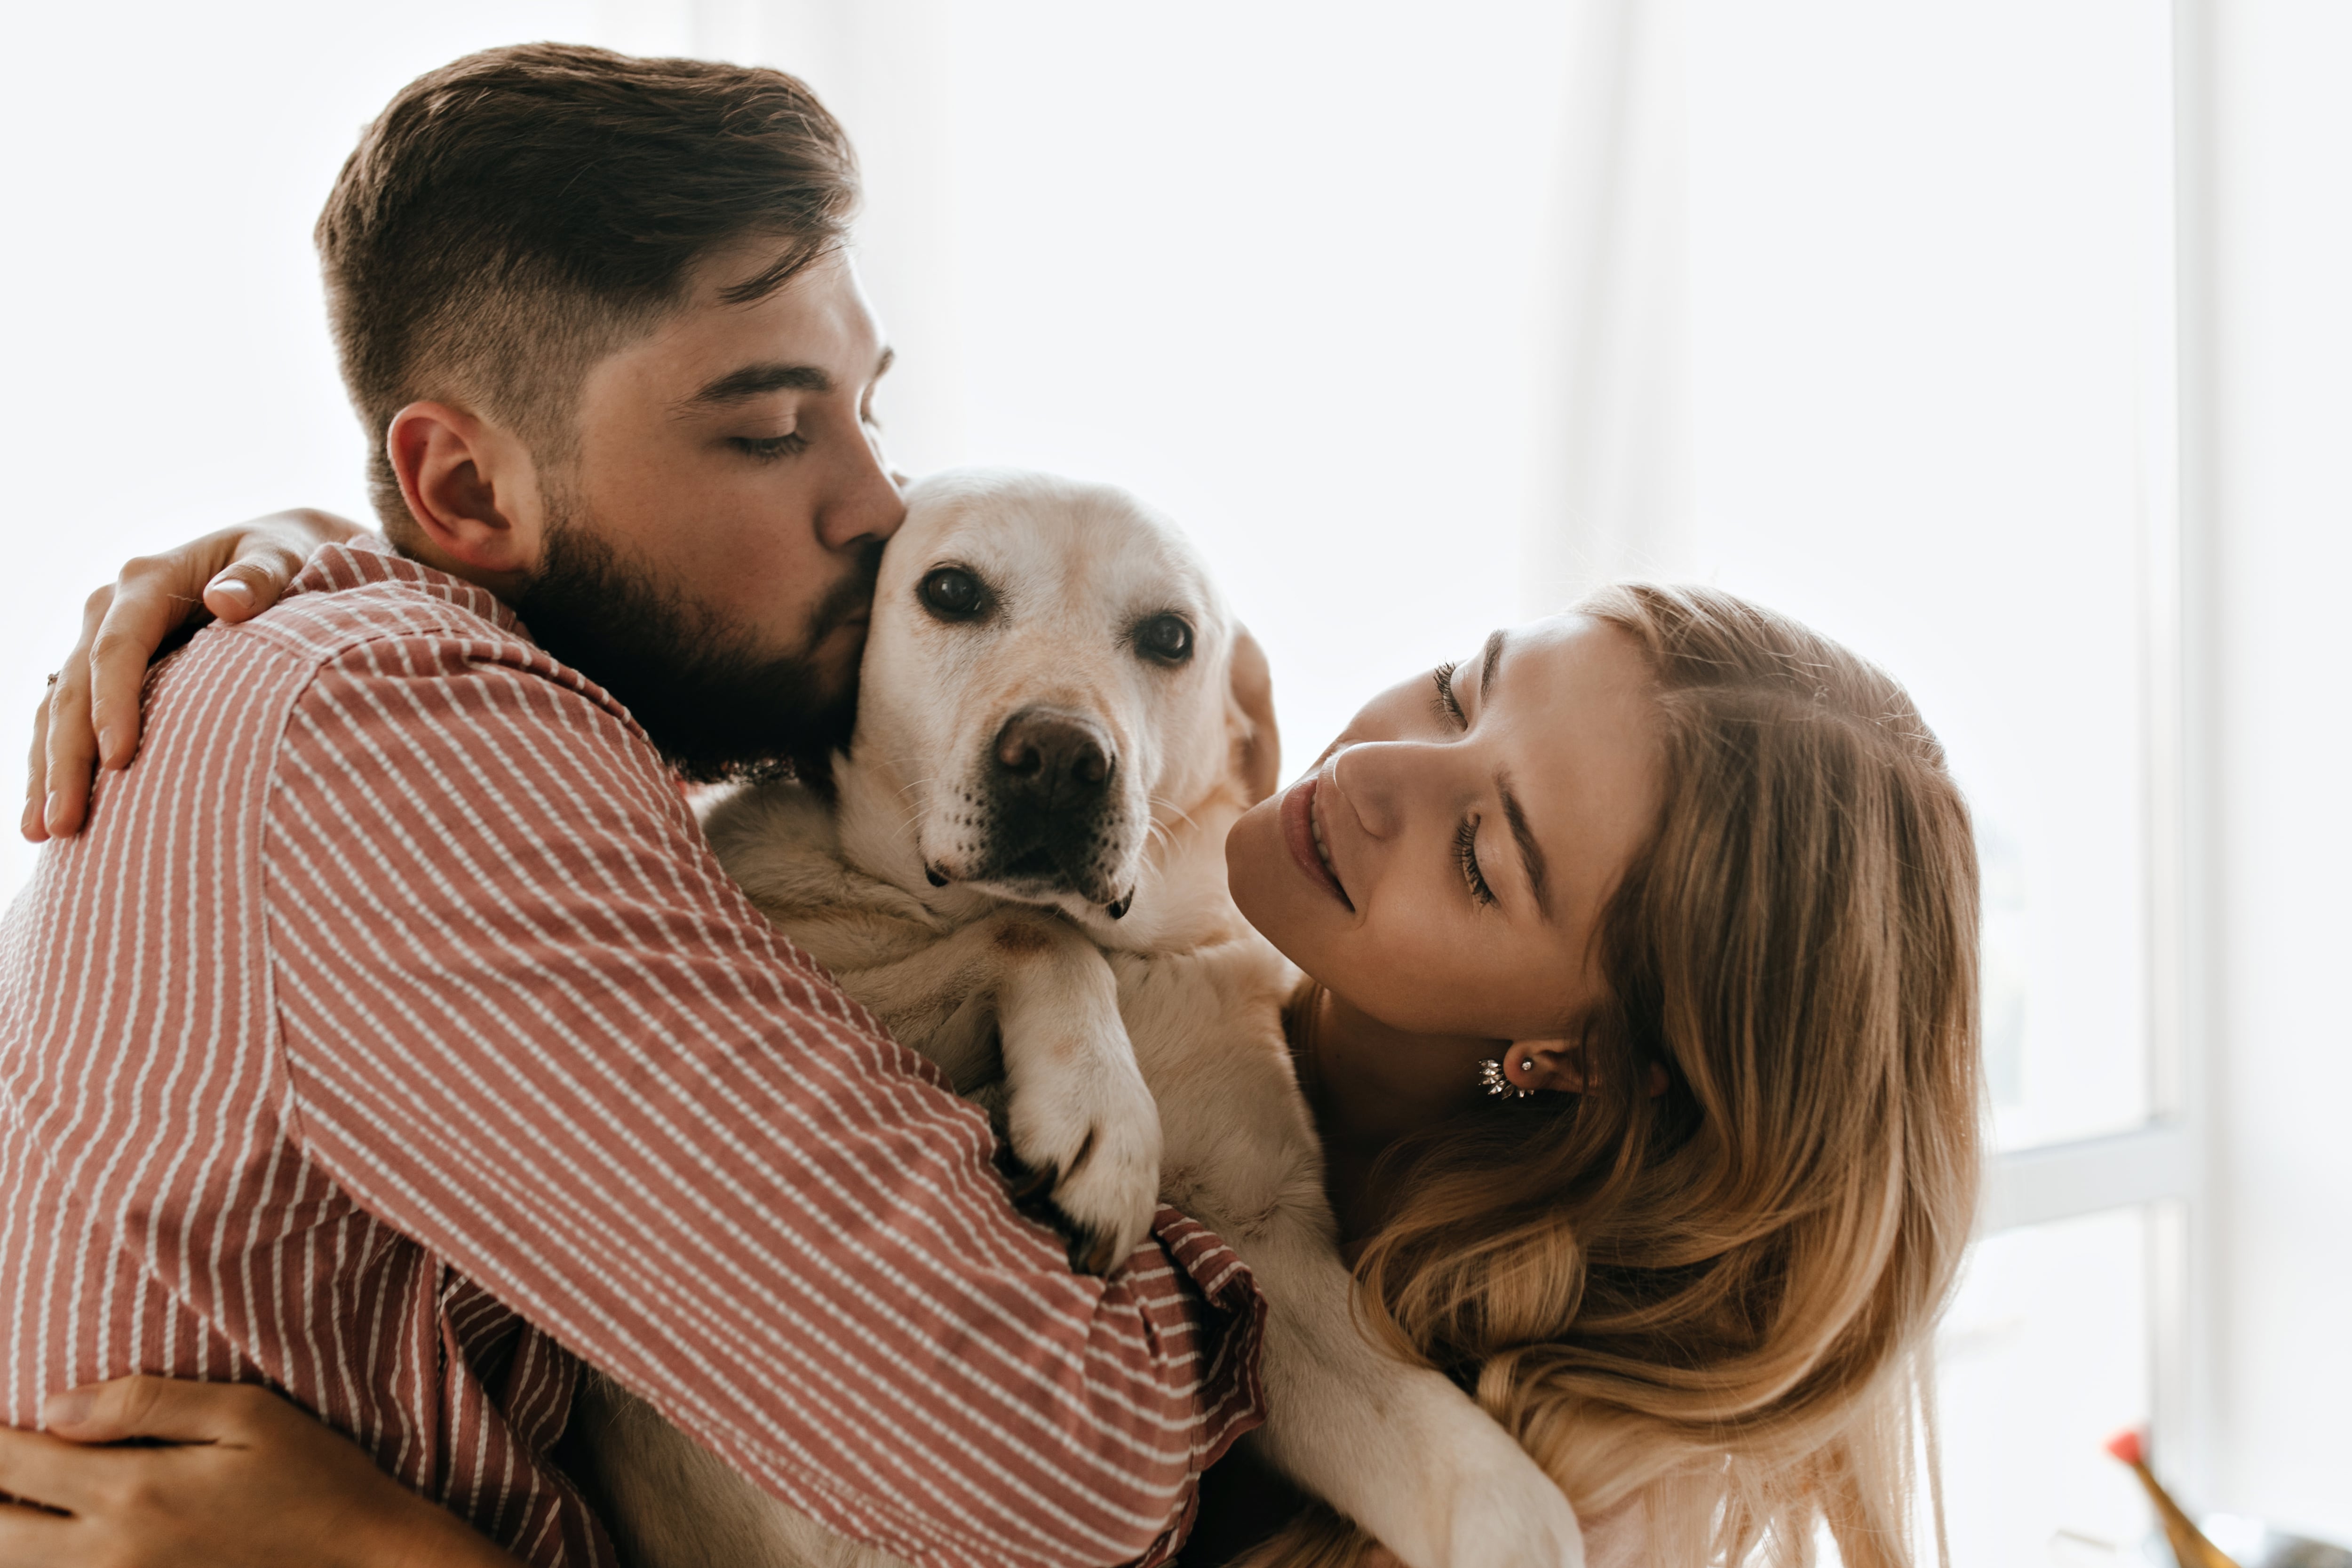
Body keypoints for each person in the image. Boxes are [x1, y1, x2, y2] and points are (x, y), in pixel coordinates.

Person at [12, 559, 1982, 1565]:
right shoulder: (1154, 962)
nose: (1378, 774)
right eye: (1464, 683)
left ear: (1574, 1065)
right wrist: (314, 584)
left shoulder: (1551, 1490)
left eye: (1485, 848)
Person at [0, 44, 1266, 1568]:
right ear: (465, 494)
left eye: (867, 408)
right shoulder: (422, 752)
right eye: (767, 430)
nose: (876, 504)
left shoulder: (366, 668)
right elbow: (1069, 1468)